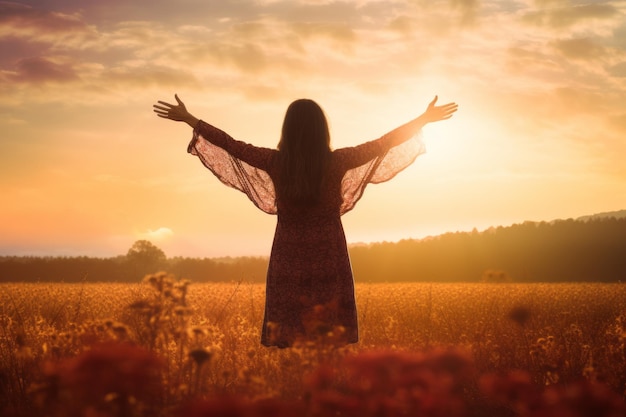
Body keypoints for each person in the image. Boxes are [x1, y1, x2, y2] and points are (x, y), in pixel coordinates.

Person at [153, 95, 458, 347]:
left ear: (288, 129)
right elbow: (384, 143)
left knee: (289, 332)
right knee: (329, 334)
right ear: (322, 130)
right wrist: (422, 119)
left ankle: (292, 394)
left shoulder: (275, 161)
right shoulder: (338, 160)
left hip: (289, 252)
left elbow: (231, 145)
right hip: (329, 250)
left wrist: (191, 119)